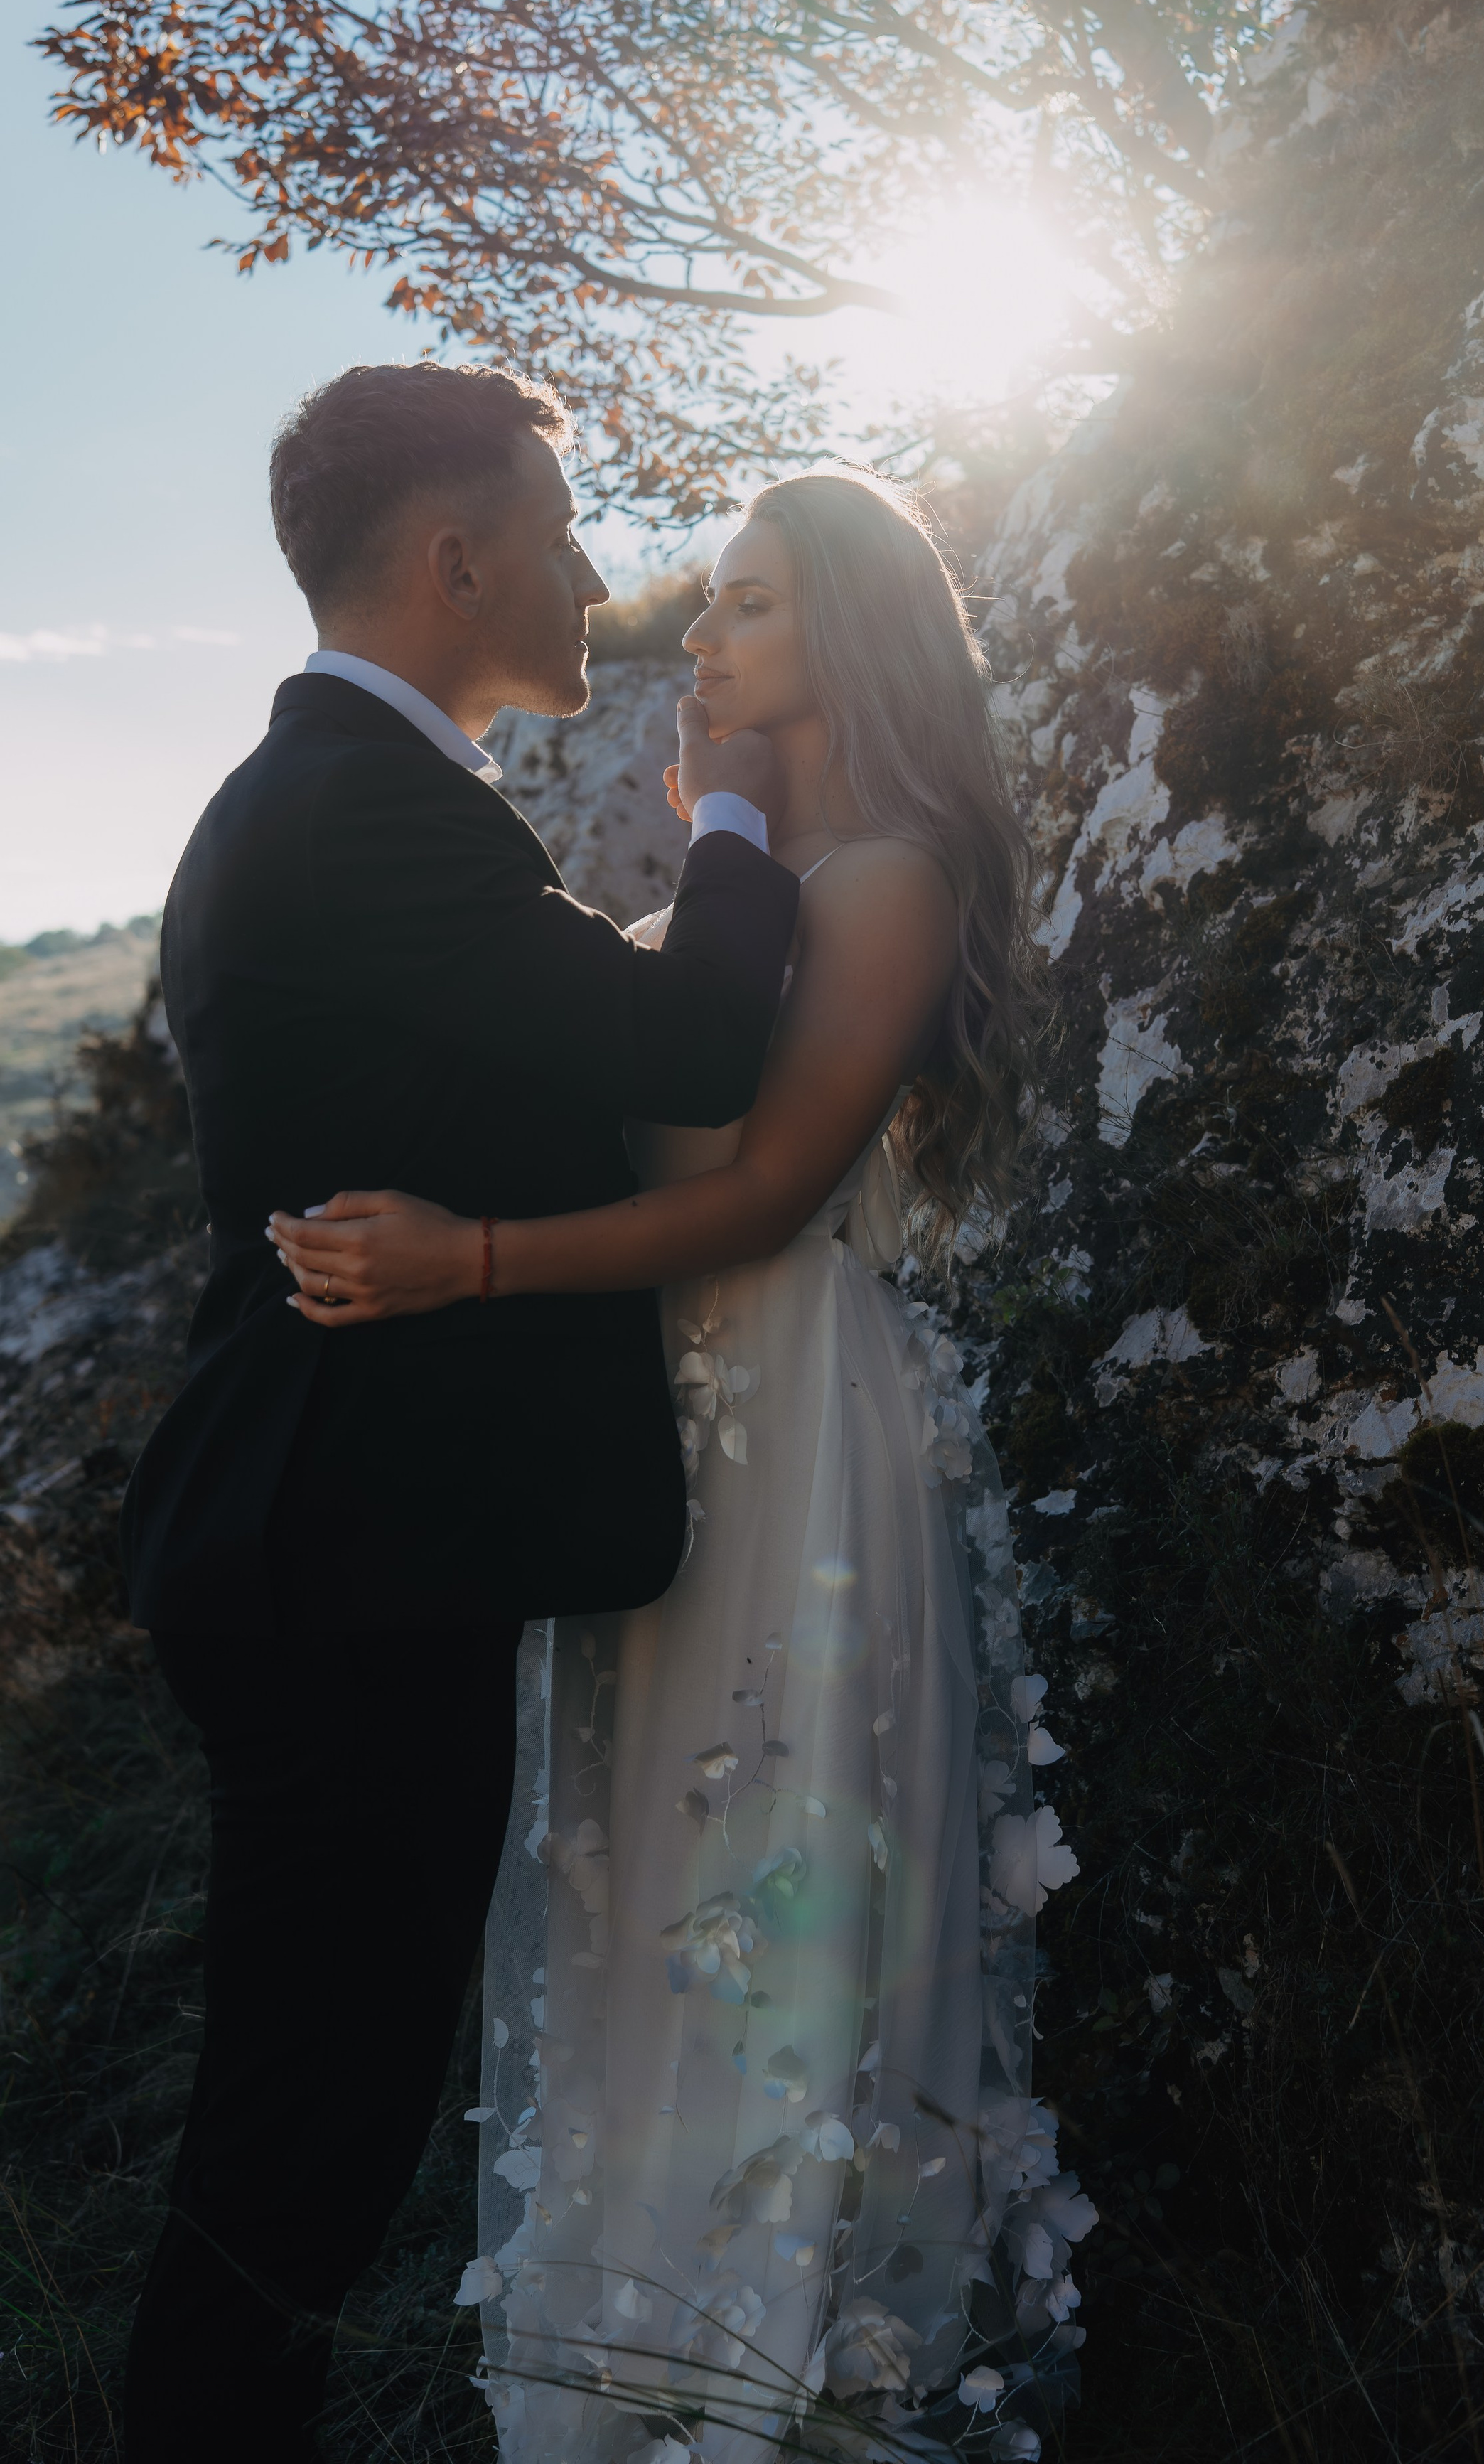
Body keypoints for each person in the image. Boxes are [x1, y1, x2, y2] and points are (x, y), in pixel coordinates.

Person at [269, 473, 1093, 2462]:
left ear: (853, 637)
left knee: (791, 1873)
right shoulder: (738, 882)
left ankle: (803, 2362)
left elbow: (769, 1190)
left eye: (748, 606)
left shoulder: (887, 871)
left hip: (803, 1425)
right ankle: (639, 2353)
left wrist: (464, 1264)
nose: (701, 644)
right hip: (670, 1452)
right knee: (645, 1885)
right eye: (707, 607)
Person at [121, 361, 802, 2464]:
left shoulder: (331, 797)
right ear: (456, 558)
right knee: (307, 2128)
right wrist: (737, 812)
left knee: (317, 2105)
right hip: (336, 1552)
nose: (602, 576)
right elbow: (689, 1043)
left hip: (333, 1534)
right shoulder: (358, 813)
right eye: (567, 527)